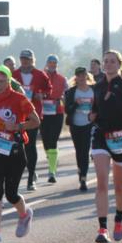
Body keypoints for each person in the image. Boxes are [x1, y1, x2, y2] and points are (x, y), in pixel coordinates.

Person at [0, 65, 39, 243]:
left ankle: (24, 214)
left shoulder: (19, 99)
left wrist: (18, 126)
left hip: (14, 151)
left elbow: (36, 121)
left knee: (11, 193)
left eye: (3, 80)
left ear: (8, 81)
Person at [90, 50, 122, 243]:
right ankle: (102, 228)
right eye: (106, 61)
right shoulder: (97, 86)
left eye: (113, 61)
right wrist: (92, 116)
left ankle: (118, 219)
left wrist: (116, 102)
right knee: (102, 182)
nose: (109, 64)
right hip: (101, 137)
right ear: (103, 65)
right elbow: (95, 110)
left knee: (119, 186)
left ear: (120, 65)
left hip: (121, 137)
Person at [14, 50, 52, 191]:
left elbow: (49, 89)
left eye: (27, 59)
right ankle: (23, 174)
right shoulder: (14, 74)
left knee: (30, 146)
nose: (24, 61)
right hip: (18, 115)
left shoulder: (40, 74)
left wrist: (40, 94)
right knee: (18, 147)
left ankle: (30, 178)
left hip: (33, 114)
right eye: (22, 59)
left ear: (32, 60)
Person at [64, 66, 96, 191]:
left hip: (89, 124)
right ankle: (80, 171)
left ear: (87, 76)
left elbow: (99, 106)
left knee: (85, 151)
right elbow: (67, 110)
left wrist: (95, 112)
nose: (81, 77)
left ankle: (83, 178)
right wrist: (76, 103)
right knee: (79, 151)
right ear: (76, 77)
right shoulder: (72, 92)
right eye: (79, 75)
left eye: (83, 75)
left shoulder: (93, 90)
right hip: (76, 125)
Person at [42, 54, 68, 183]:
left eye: (54, 63)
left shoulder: (62, 79)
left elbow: (66, 95)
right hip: (43, 113)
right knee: (46, 141)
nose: (52, 65)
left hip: (57, 113)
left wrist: (62, 99)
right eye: (50, 62)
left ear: (57, 65)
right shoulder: (41, 76)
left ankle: (51, 172)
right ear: (47, 63)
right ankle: (52, 158)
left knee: (53, 141)